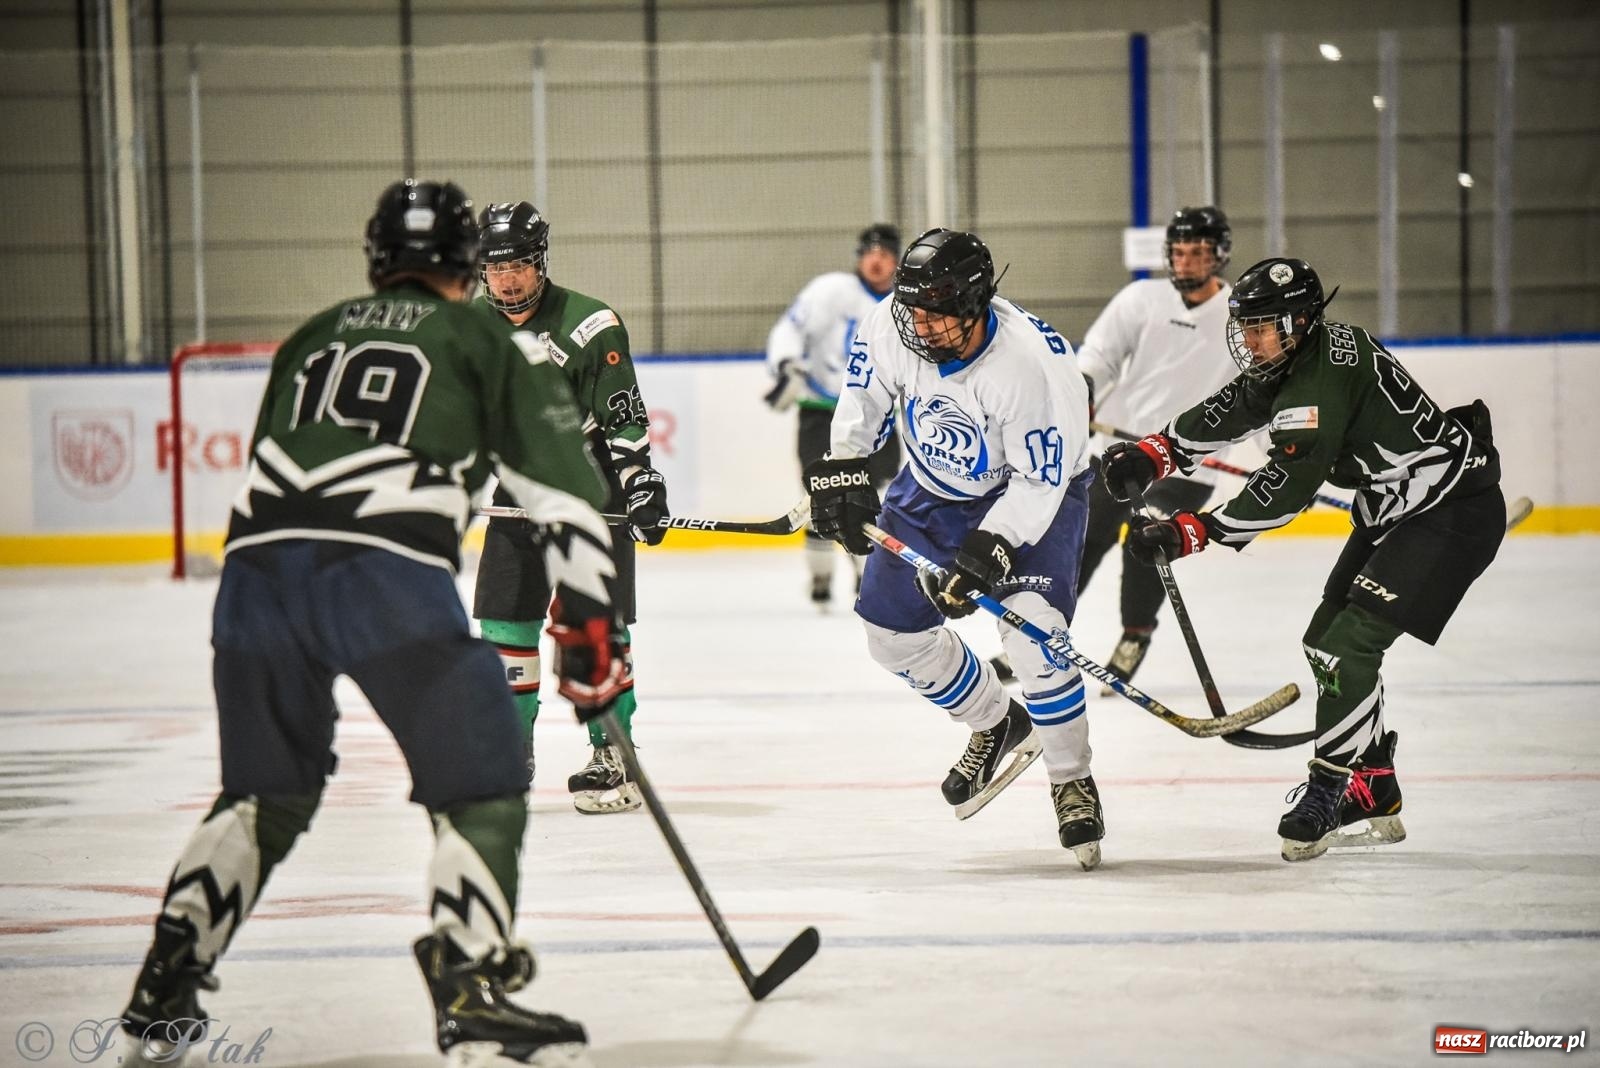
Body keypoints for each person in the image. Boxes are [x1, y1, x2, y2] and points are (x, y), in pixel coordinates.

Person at [118, 179, 623, 1066]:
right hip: (384, 574)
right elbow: (569, 497)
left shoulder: (313, 334)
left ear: (376, 260)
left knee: (262, 793)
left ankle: (167, 977)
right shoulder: (484, 337)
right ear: (467, 264)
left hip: (255, 578)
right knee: (485, 776)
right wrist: (588, 640)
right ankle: (467, 979)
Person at [1102, 257, 1505, 862]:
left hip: (1447, 514)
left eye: (1264, 326)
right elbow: (1235, 405)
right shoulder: (1303, 353)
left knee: (1346, 649)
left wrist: (1197, 529)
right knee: (1324, 642)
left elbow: (1289, 483)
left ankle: (1329, 788)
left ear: (1300, 320)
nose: (1250, 340)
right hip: (1400, 506)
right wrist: (1160, 452)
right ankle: (1373, 785)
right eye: (1247, 327)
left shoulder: (1316, 386)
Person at [804, 228, 1105, 870]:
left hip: (1036, 499)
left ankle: (1071, 777)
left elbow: (1040, 483)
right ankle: (997, 722)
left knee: (1034, 639)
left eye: (937, 311)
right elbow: (863, 398)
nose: (921, 324)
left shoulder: (1031, 369)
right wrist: (844, 468)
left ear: (976, 302)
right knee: (889, 634)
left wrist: (991, 547)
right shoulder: (893, 322)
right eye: (913, 307)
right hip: (932, 488)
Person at [472, 201, 668, 815]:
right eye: (495, 267)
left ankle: (615, 754)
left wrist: (639, 483)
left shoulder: (591, 324)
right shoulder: (468, 326)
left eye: (518, 266)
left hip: (592, 482)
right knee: (505, 624)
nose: (506, 279)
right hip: (519, 483)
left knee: (596, 624)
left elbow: (623, 415)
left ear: (540, 263)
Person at [1071, 206, 1239, 689]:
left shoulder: (1239, 316)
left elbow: (1261, 392)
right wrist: (1085, 387)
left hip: (1186, 467)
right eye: (1179, 253)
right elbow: (1100, 354)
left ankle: (1135, 634)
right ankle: (1042, 629)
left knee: (1146, 538)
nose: (1185, 263)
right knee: (1082, 538)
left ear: (1220, 256)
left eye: (1198, 253)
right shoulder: (1141, 299)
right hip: (1120, 453)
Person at [765, 224, 904, 607]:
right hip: (821, 414)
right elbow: (788, 330)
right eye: (870, 252)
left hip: (875, 418)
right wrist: (787, 365)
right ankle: (821, 579)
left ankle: (867, 576)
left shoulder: (902, 306)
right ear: (860, 257)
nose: (877, 260)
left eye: (885, 254)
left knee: (874, 498)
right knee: (821, 497)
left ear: (895, 262)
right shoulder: (830, 291)